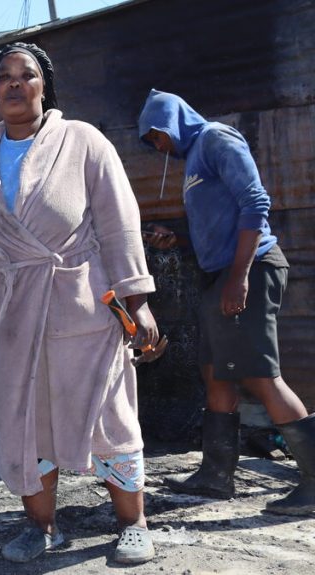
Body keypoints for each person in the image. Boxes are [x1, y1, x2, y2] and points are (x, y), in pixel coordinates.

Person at [0, 43, 160, 564]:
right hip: (8, 309)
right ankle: (41, 526)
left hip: (78, 302)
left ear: (44, 86)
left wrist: (137, 299)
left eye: (26, 75)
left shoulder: (83, 142)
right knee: (22, 422)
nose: (15, 84)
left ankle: (133, 522)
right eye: (5, 78)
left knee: (109, 413)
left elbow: (117, 221)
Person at [139, 90, 314, 514]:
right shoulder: (196, 157)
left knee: (260, 376)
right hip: (220, 275)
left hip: (250, 270)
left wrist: (238, 278)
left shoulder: (217, 139)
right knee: (215, 371)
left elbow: (255, 203)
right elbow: (218, 224)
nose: (158, 147)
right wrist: (176, 239)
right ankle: (216, 475)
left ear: (173, 122)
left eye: (157, 137)